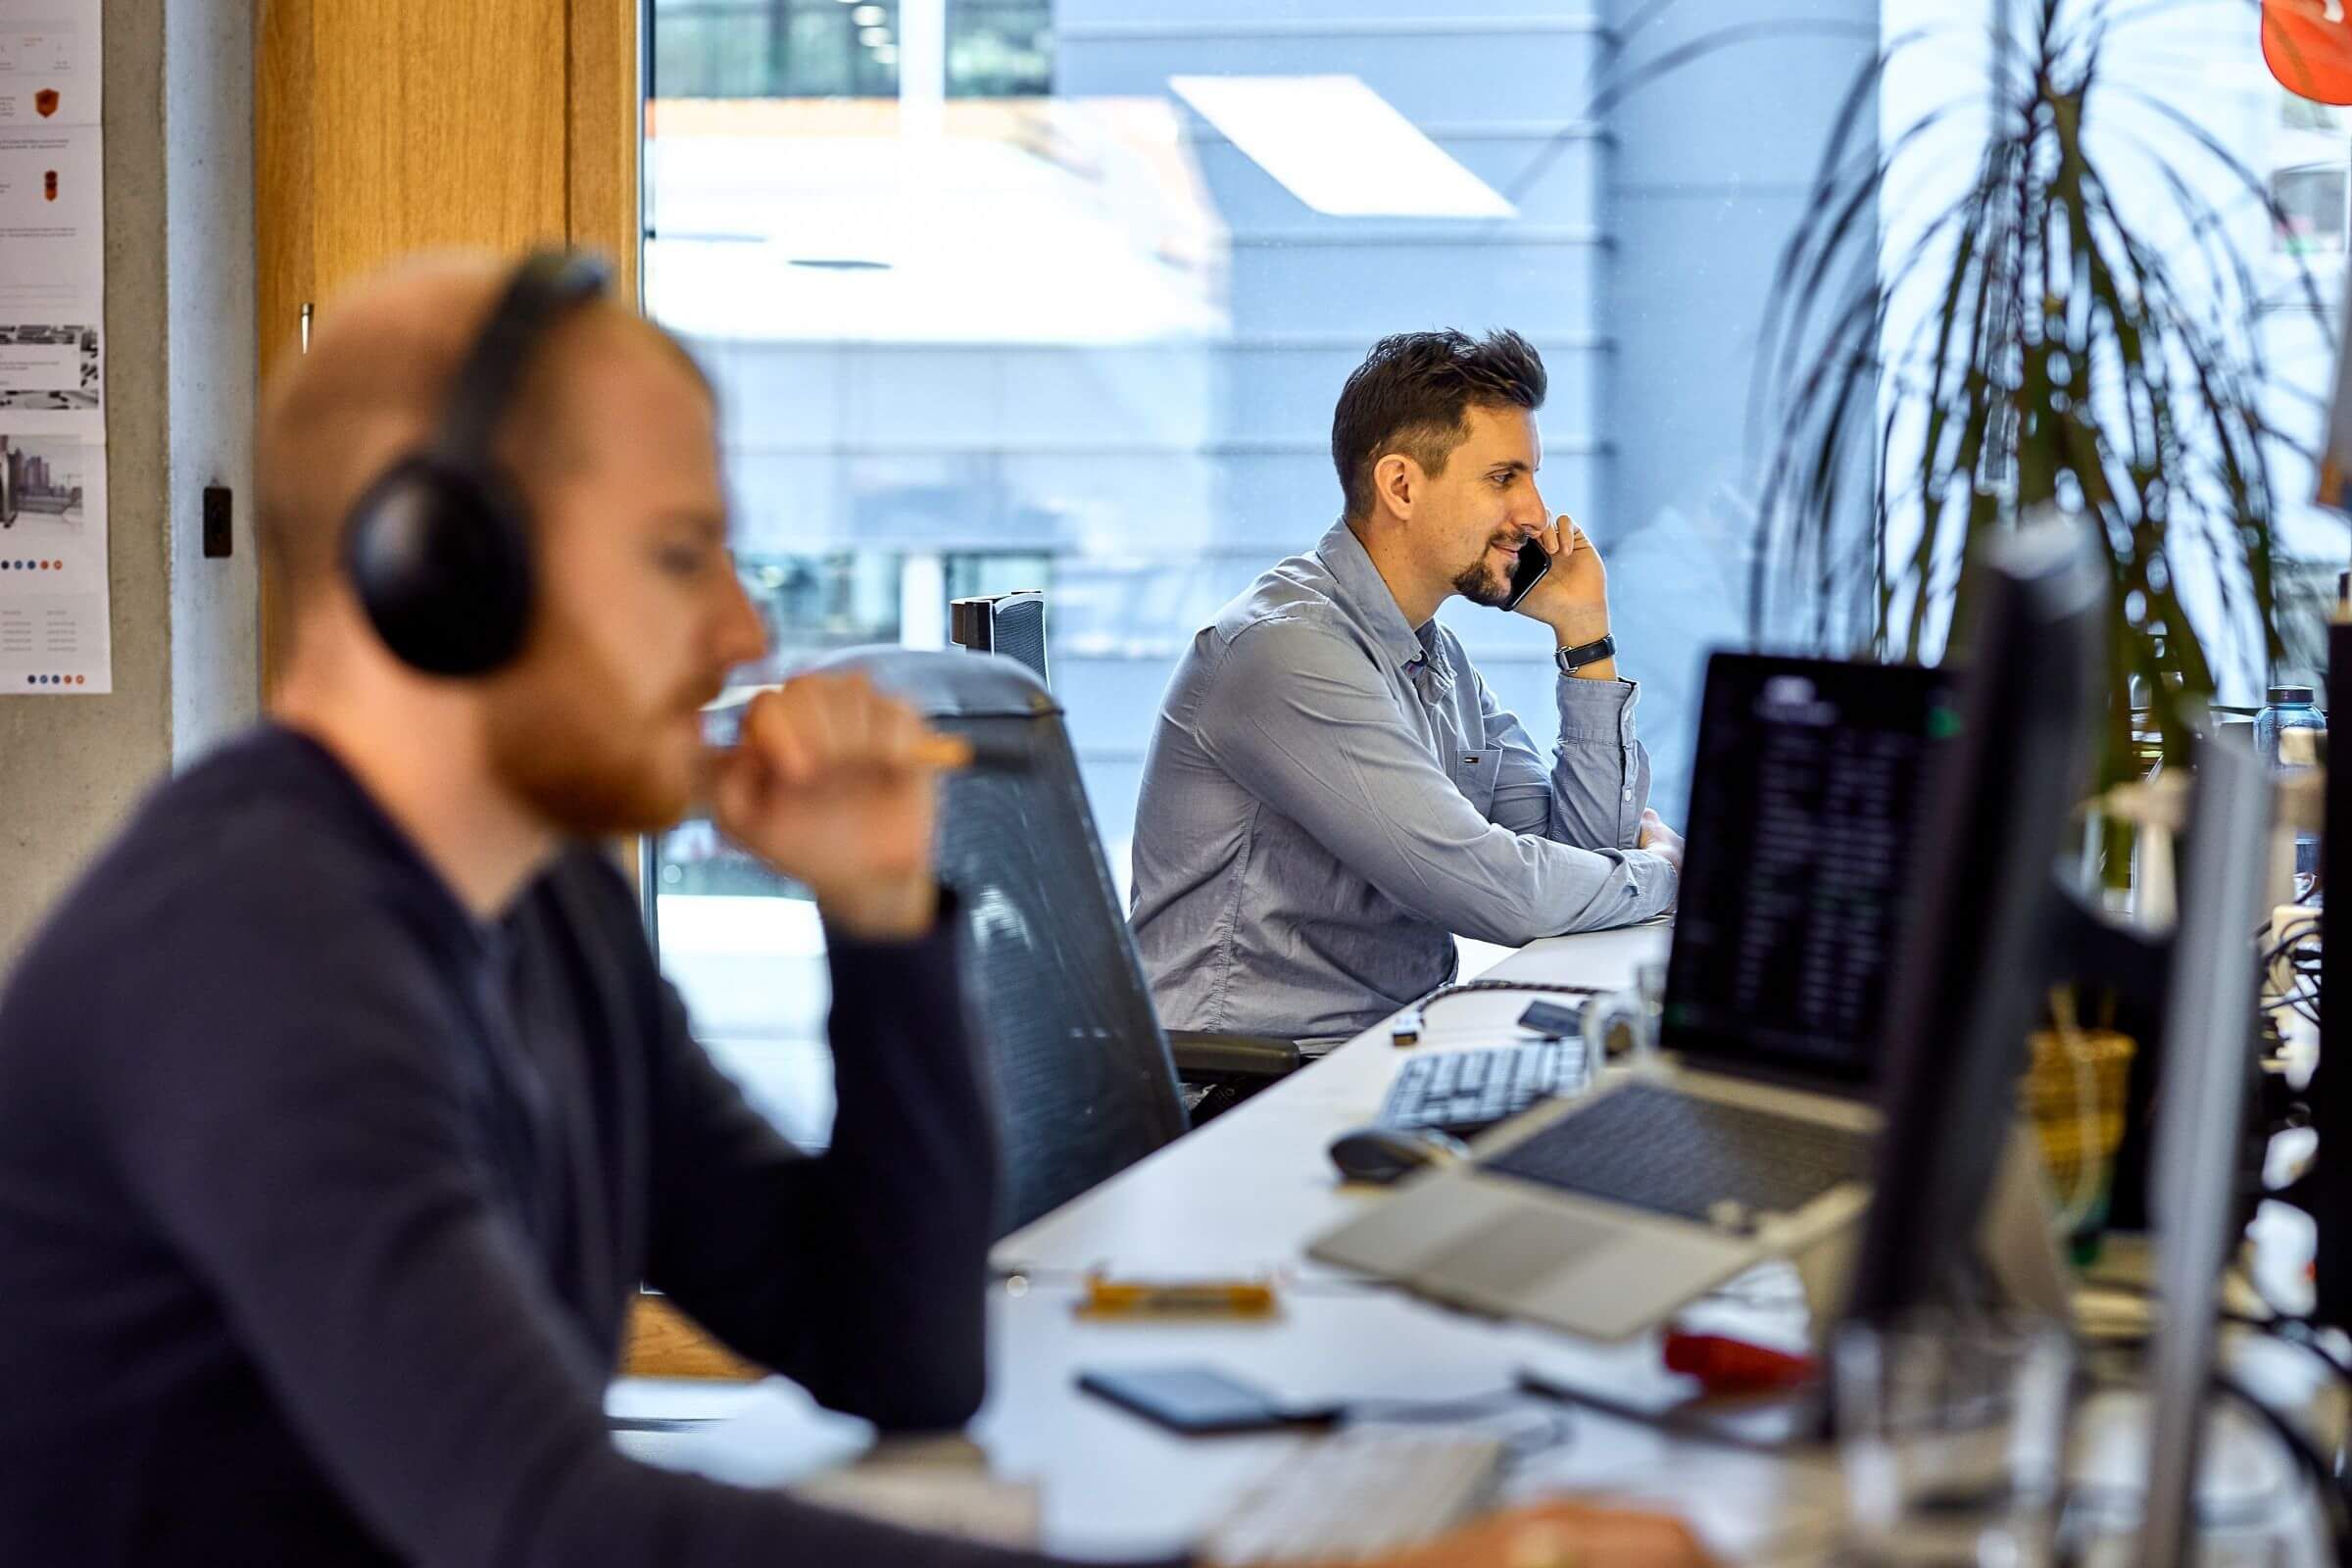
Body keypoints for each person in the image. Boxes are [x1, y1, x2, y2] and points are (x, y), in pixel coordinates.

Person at [0, 256, 1709, 1568]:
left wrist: (886, 929)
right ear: (436, 572)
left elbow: (897, 1347)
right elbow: (548, 1527)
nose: (748, 633)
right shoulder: (258, 955)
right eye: (681, 557)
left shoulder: (547, 924)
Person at [1130, 330, 1686, 1041]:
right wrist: (1663, 871)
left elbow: (1577, 854)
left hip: (1381, 1050)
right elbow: (1500, 894)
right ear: (1400, 485)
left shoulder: (1435, 655)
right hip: (1246, 1084)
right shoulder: (1286, 651)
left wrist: (1585, 641)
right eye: (1503, 477)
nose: (1536, 516)